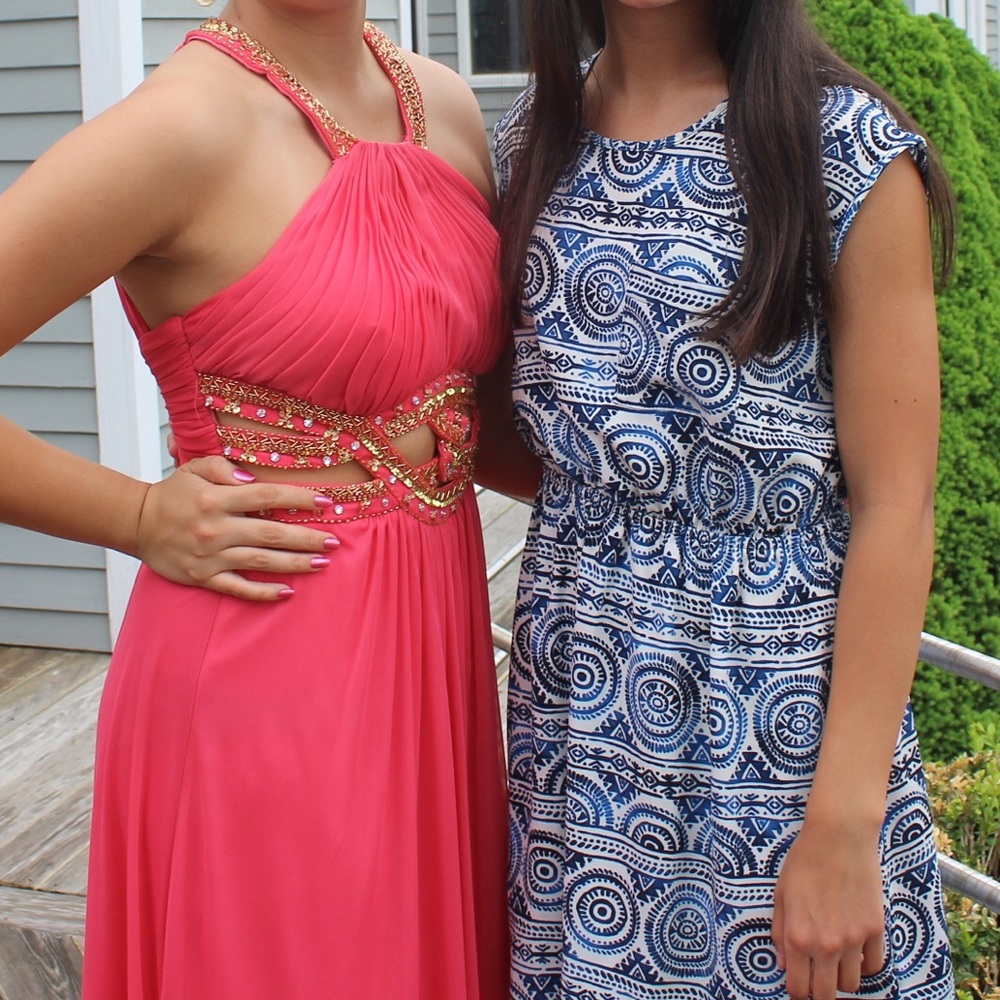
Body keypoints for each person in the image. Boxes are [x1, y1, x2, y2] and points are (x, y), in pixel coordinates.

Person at [0, 1, 510, 996]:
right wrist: (133, 516)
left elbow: (478, 404)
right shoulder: (179, 127)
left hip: (435, 656)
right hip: (270, 656)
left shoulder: (442, 104)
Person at [480, 0, 958, 997]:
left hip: (774, 729)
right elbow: (538, 449)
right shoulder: (530, 139)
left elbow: (897, 504)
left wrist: (843, 826)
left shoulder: (841, 148)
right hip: (576, 723)